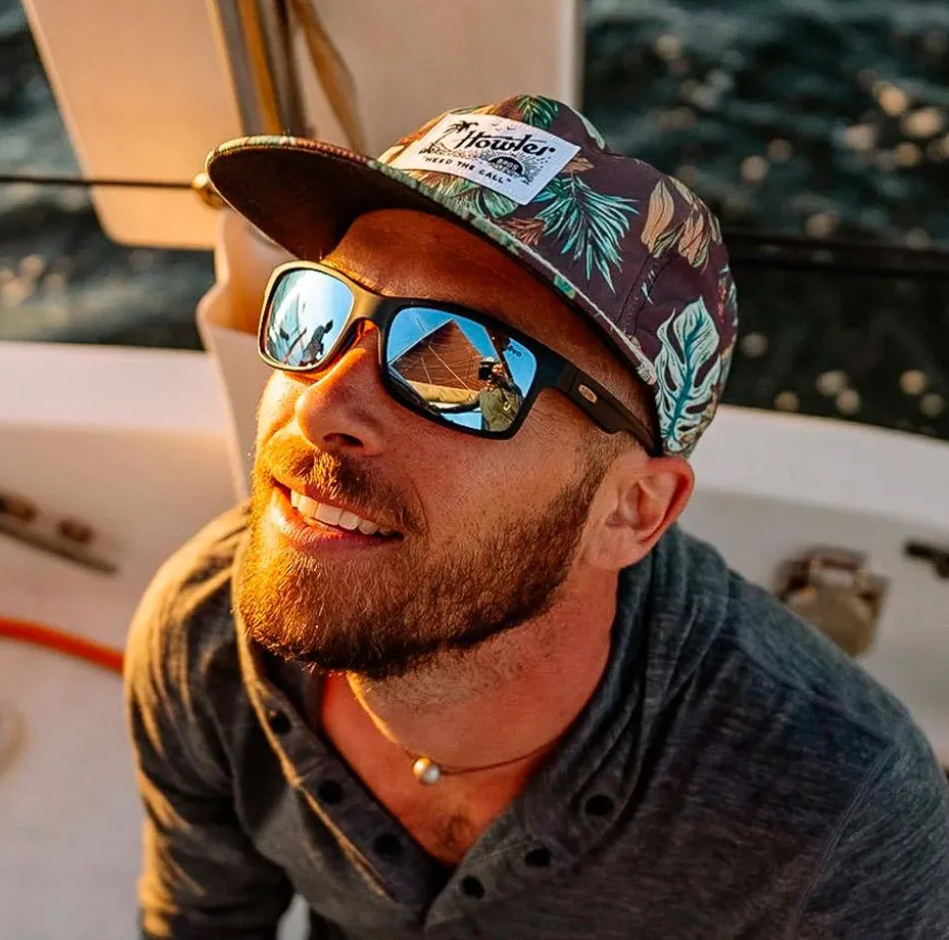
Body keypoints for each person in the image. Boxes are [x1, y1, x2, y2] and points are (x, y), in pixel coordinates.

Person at [125, 96, 949, 940]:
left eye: (460, 364)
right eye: (320, 310)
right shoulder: (201, 636)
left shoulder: (838, 818)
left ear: (632, 511)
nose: (319, 406)